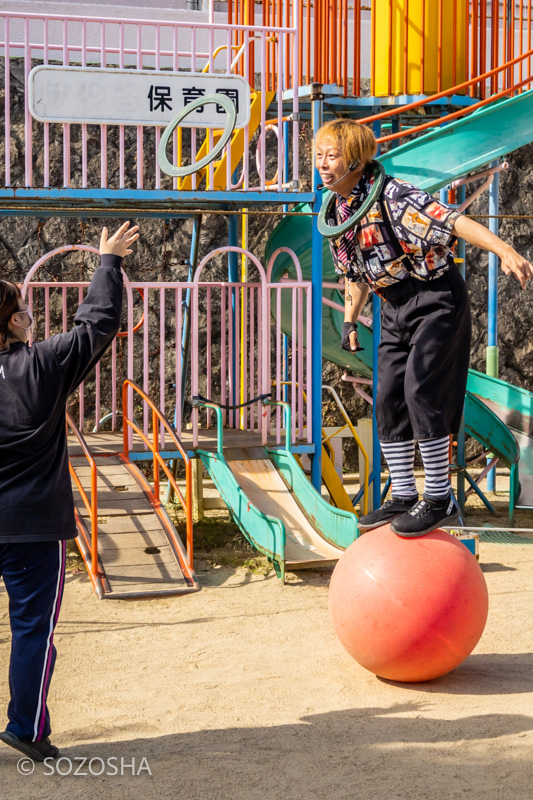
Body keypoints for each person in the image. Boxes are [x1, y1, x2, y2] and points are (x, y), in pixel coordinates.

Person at [315, 118, 533, 537]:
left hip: (436, 298)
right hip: (394, 304)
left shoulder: (394, 197)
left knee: (420, 386)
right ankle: (401, 492)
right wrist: (349, 322)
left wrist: (505, 250)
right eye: (320, 157)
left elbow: (453, 222)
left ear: (356, 160)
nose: (324, 165)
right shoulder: (338, 213)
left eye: (333, 156)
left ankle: (437, 496)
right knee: (387, 393)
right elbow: (356, 275)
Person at [0, 222, 139, 762]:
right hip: (34, 522)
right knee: (32, 628)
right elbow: (97, 323)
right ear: (14, 321)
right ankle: (26, 728)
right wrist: (108, 262)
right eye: (25, 308)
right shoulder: (43, 365)